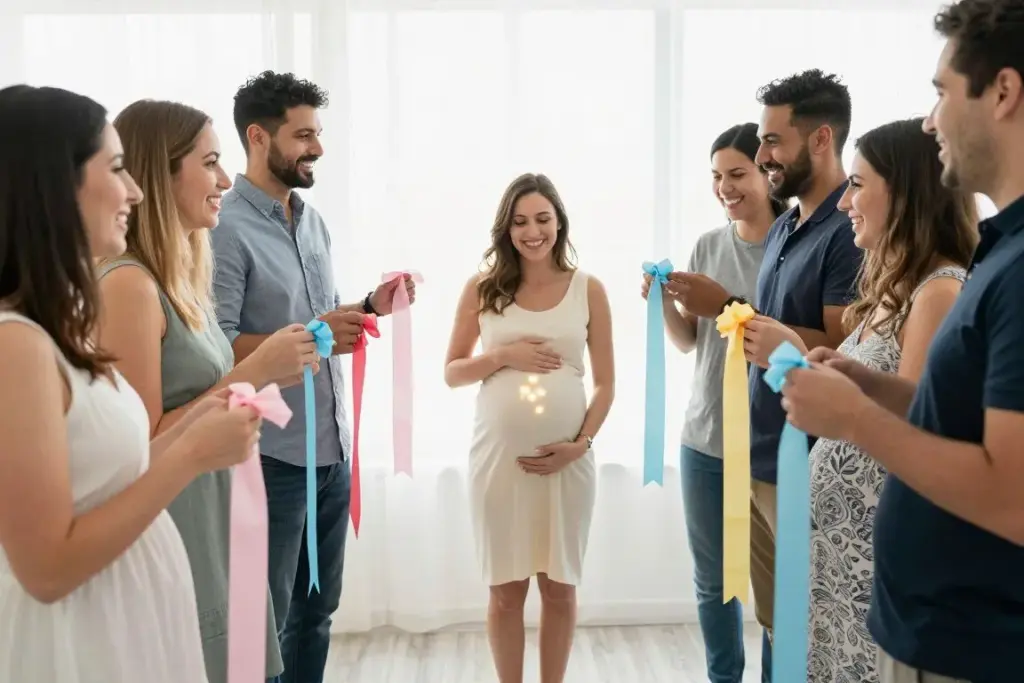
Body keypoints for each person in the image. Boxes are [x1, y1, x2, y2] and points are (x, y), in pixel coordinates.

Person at [780, 2, 1024, 682]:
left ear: (1003, 93)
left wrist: (852, 418)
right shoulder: (1001, 252)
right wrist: (864, 384)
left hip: (967, 646)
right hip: (927, 632)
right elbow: (950, 413)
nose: (929, 120)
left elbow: (1013, 496)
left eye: (941, 92)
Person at [0, 85, 262, 683]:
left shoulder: (53, 325)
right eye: (117, 168)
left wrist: (210, 416)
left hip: (126, 620)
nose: (136, 191)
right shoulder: (14, 344)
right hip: (80, 639)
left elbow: (122, 468)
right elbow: (46, 568)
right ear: (52, 186)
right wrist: (194, 453)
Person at [95, 99, 325, 683]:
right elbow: (137, 446)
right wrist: (259, 369)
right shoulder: (129, 288)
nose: (226, 179)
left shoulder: (180, 283)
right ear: (159, 174)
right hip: (180, 534)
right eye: (212, 163)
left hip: (223, 527)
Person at [211, 70, 417, 683]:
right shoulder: (223, 229)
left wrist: (372, 306)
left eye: (318, 133)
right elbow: (216, 347)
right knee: (267, 624)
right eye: (303, 135)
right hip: (270, 458)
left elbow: (318, 325)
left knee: (317, 612)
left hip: (331, 450)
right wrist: (317, 328)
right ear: (257, 137)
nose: (317, 148)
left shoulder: (312, 221)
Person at [665, 70, 862, 671]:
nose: (762, 154)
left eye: (773, 141)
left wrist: (723, 307)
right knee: (772, 613)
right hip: (751, 451)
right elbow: (764, 329)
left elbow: (841, 344)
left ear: (821, 139)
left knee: (803, 624)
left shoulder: (845, 233)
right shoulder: (785, 227)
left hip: (801, 458)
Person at [800, 118, 977, 683]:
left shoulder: (939, 293)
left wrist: (848, 404)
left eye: (857, 183)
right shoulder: (892, 289)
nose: (845, 201)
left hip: (874, 567)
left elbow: (927, 431)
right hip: (841, 560)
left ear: (904, 193)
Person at [444, 173, 614, 683]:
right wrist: (502, 356)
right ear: (506, 228)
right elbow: (452, 371)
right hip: (499, 464)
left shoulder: (589, 289)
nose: (532, 231)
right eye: (520, 221)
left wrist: (579, 446)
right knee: (505, 590)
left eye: (542, 218)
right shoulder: (482, 289)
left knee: (560, 587)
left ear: (559, 221)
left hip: (568, 464)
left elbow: (606, 384)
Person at [641, 123, 786, 683]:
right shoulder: (707, 245)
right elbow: (689, 342)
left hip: (767, 445)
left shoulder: (787, 247)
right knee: (714, 584)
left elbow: (776, 339)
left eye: (738, 174)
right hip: (704, 440)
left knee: (775, 594)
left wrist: (726, 303)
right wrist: (661, 304)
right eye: (717, 177)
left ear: (768, 175)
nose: (726, 188)